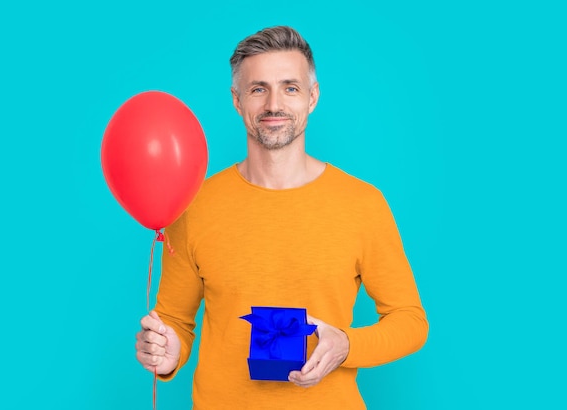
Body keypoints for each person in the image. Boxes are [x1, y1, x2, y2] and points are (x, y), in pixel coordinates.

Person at [135, 25, 428, 409]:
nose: (274, 104)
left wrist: (347, 345)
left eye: (290, 87)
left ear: (312, 97)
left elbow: (410, 321)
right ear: (237, 100)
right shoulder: (195, 204)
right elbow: (176, 320)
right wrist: (168, 351)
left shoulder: (363, 204)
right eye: (258, 89)